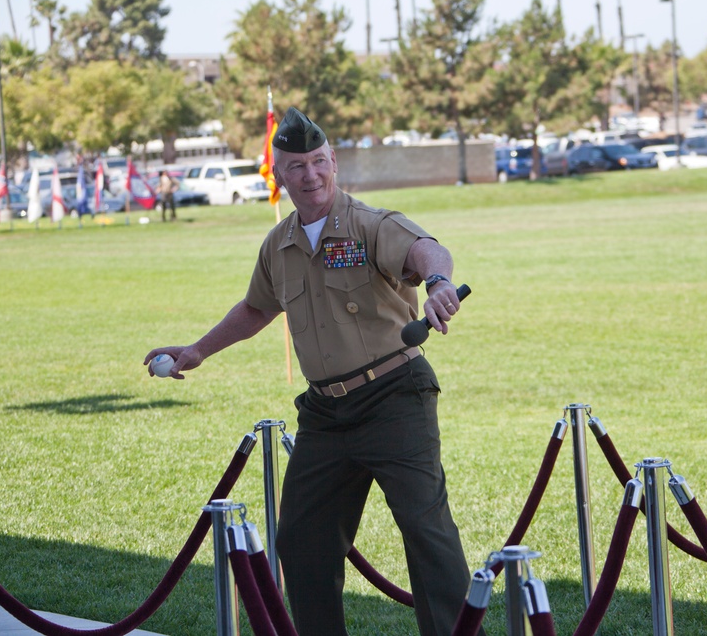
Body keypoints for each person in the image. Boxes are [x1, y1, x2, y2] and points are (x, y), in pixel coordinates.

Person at [145, 107, 478, 636]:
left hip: (395, 396)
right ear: (280, 175)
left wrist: (438, 282)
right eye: (297, 166)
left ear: (335, 163)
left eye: (319, 161)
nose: (311, 175)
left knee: (425, 531)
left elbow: (425, 248)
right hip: (325, 412)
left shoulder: (371, 224)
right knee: (301, 540)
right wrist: (198, 350)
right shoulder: (278, 245)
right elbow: (256, 308)